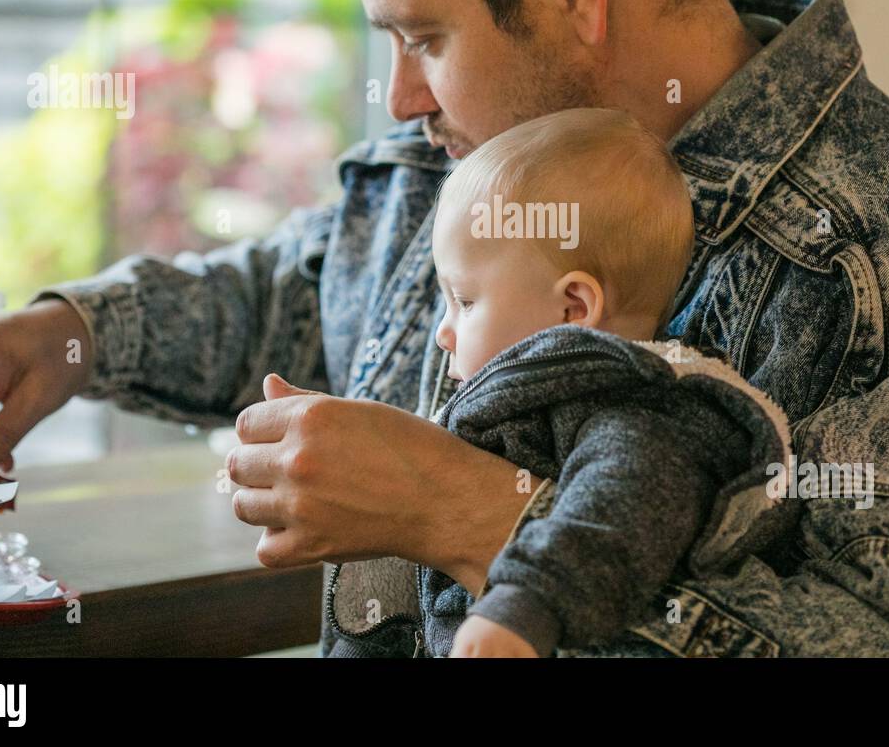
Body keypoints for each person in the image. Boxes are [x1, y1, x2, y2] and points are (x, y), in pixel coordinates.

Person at [0, 0, 889, 657]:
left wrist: (470, 515)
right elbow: (307, 284)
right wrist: (69, 334)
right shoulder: (477, 151)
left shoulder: (881, 261)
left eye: (422, 39)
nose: (403, 99)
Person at [327, 107, 796, 658]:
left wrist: (522, 611)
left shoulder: (641, 412)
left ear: (574, 308)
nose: (443, 334)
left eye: (466, 301)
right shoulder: (535, 400)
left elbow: (611, 519)